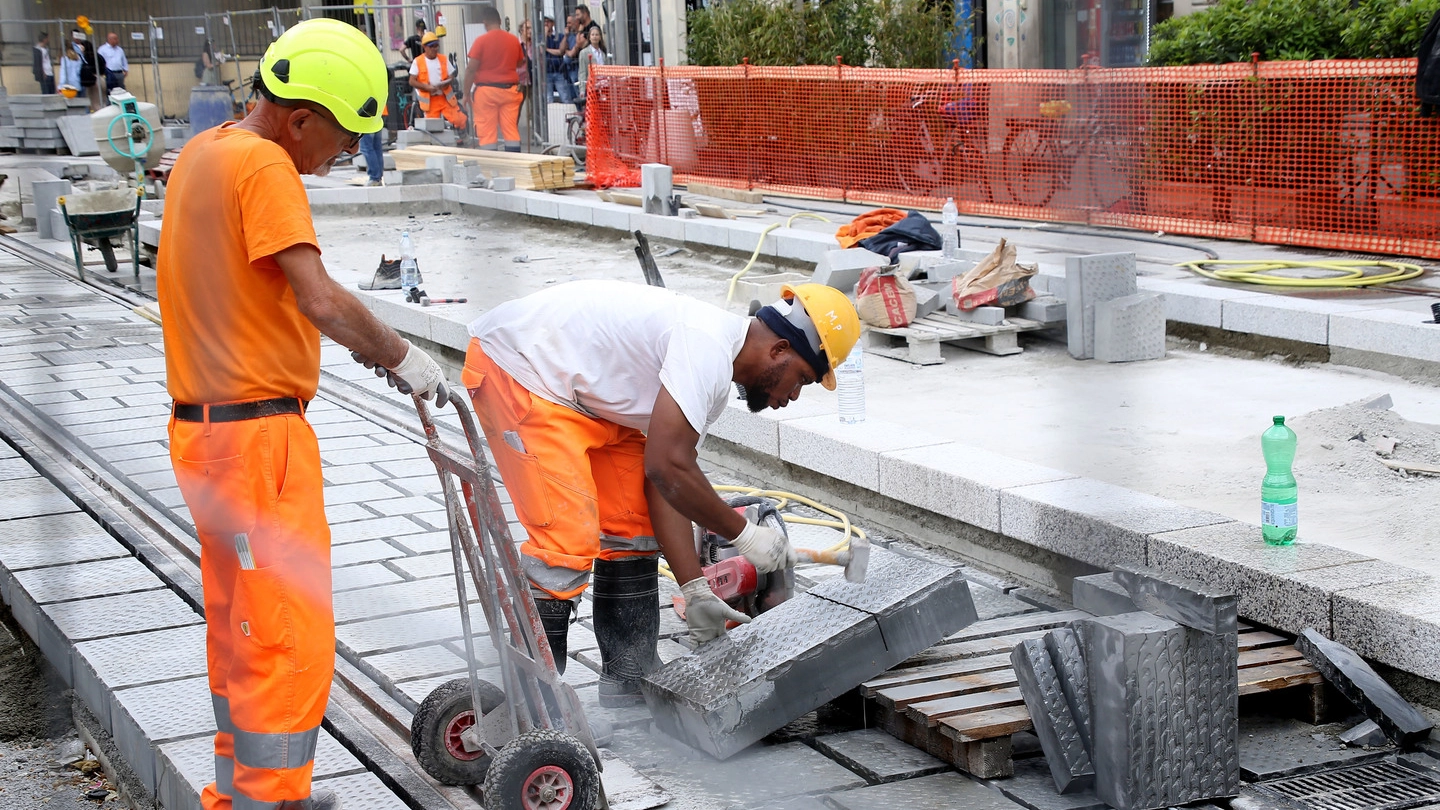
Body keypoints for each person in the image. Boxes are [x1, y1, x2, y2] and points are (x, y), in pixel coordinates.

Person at [156, 17, 448, 810]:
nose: (348, 152)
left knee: (241, 629)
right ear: (300, 116)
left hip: (203, 434)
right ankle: (273, 799)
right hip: (256, 440)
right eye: (345, 135)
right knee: (288, 636)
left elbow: (263, 293)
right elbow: (318, 297)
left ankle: (247, 797)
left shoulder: (203, 153)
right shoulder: (263, 163)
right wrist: (404, 359)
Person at [461, 280, 859, 705]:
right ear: (779, 349)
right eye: (801, 379)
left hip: (579, 396)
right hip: (521, 369)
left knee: (634, 524)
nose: (792, 396)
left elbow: (663, 482)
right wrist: (745, 535)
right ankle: (530, 704)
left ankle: (630, 676)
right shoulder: (705, 347)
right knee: (566, 539)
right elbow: (668, 466)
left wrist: (695, 590)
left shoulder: (713, 370)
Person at [463, 4, 525, 152]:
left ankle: (491, 169)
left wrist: (466, 93)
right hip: (510, 91)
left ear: (485, 22)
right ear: (500, 21)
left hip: (486, 92)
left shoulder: (481, 41)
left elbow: (471, 69)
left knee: (487, 133)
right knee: (511, 131)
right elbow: (519, 62)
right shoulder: (513, 40)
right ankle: (514, 164)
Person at [408, 31, 467, 131]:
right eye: (432, 46)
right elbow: (412, 81)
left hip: (445, 98)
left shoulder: (443, 59)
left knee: (459, 120)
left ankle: (463, 139)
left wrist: (446, 83)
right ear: (424, 47)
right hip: (430, 101)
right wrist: (427, 87)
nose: (435, 49)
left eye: (436, 46)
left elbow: (451, 76)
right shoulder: (418, 61)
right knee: (432, 127)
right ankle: (435, 145)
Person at [543, 16, 574, 104]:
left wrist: (547, 49)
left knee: (565, 97)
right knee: (549, 99)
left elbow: (561, 51)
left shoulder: (559, 36)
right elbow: (541, 50)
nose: (546, 24)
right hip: (546, 72)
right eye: (544, 22)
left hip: (558, 71)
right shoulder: (541, 37)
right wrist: (545, 34)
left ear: (553, 23)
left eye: (548, 22)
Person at [576, 25, 607, 104]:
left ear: (600, 37)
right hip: (592, 86)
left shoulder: (603, 53)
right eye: (592, 35)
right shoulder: (584, 53)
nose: (595, 37)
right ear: (589, 37)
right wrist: (582, 90)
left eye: (597, 35)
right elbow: (582, 72)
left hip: (603, 85)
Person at [72, 29, 100, 111]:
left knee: (85, 96)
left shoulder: (84, 46)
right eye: (75, 36)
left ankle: (86, 111)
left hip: (85, 75)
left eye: (78, 36)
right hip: (78, 76)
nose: (77, 38)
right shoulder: (72, 47)